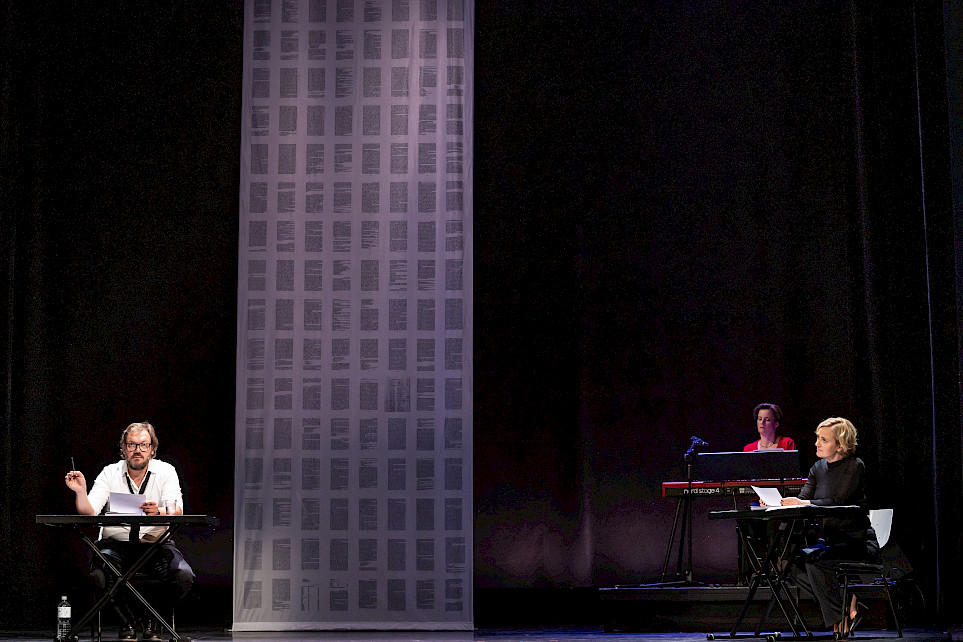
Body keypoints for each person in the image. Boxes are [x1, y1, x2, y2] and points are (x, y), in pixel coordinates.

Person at [65, 422, 194, 642]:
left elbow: (177, 510)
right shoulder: (110, 472)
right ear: (123, 448)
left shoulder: (165, 471)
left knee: (183, 575)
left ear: (152, 449)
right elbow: (89, 511)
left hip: (154, 546)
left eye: (143, 445)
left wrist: (159, 511)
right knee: (99, 576)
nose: (138, 450)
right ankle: (127, 622)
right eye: (132, 444)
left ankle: (152, 620)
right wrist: (81, 492)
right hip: (115, 546)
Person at [770, 417, 879, 634]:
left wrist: (804, 503)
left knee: (816, 562)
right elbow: (803, 500)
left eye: (824, 440)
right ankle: (845, 603)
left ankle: (839, 618)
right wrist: (778, 503)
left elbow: (839, 501)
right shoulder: (818, 468)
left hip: (856, 541)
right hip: (830, 542)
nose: (816, 444)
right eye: (817, 438)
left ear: (840, 445)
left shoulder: (855, 466)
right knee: (788, 564)